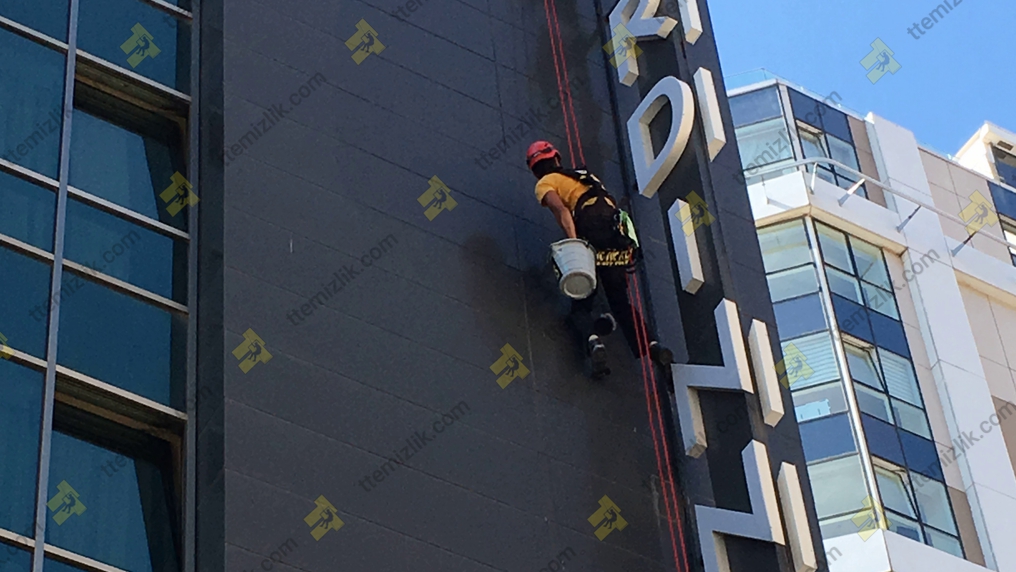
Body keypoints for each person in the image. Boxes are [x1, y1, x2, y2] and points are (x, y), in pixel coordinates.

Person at [527, 140, 673, 378]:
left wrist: (576, 246)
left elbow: (562, 211)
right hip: (617, 233)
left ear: (534, 169)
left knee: (581, 301)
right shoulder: (585, 177)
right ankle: (654, 346)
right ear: (556, 158)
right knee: (620, 302)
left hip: (591, 226)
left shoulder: (546, 183)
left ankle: (593, 342)